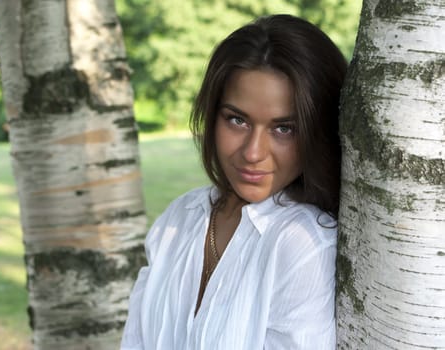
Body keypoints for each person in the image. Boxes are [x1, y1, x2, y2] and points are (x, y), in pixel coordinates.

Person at [121, 14, 347, 350]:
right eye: (237, 120)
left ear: (318, 133)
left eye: (284, 128)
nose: (253, 153)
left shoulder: (305, 244)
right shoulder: (179, 218)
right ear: (212, 116)